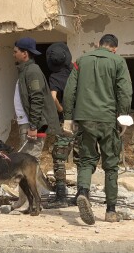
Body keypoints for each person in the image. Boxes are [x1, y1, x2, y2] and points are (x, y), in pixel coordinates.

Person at [63, 34, 132, 224]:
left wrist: (68, 117)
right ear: (114, 48)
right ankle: (110, 211)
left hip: (85, 119)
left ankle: (83, 192)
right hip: (108, 119)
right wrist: (123, 116)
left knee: (85, 160)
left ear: (98, 45)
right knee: (111, 164)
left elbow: (70, 91)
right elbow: (125, 92)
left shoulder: (81, 61)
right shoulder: (118, 61)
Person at [11, 37, 61, 211]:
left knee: (28, 164)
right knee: (23, 163)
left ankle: (31, 202)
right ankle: (23, 200)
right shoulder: (25, 70)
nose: (13, 54)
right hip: (27, 124)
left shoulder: (32, 71)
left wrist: (33, 126)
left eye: (16, 51)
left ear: (25, 54)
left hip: (33, 125)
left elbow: (37, 99)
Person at [45, 42, 77, 209]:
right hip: (83, 120)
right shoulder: (77, 70)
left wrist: (61, 109)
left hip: (67, 122)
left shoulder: (55, 77)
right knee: (82, 158)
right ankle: (82, 193)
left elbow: (52, 97)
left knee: (59, 158)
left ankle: (61, 195)